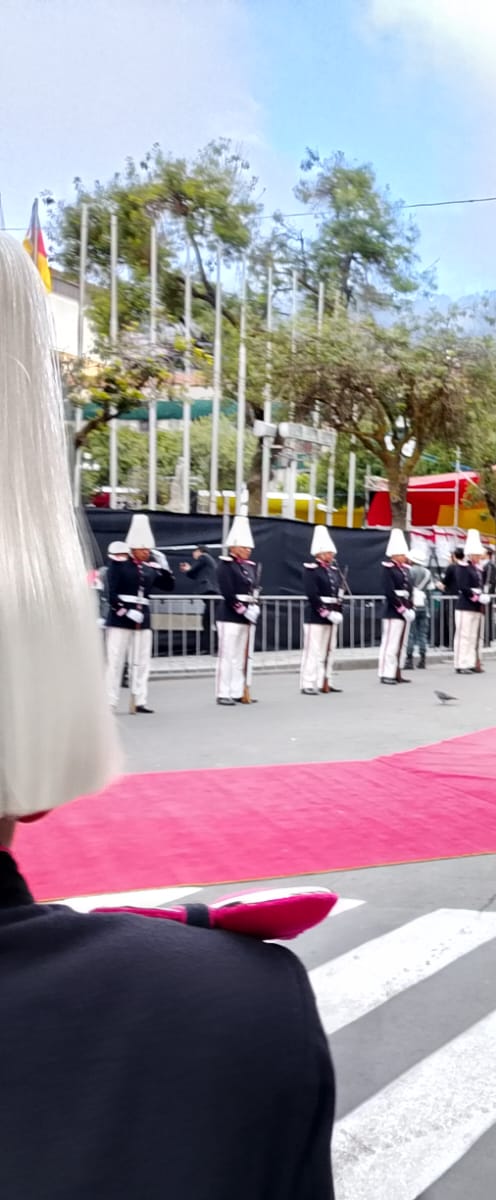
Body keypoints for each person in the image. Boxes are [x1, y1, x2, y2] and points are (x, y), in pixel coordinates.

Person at [0, 232, 337, 1196]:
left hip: (198, 621)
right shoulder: (218, 1013)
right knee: (174, 651)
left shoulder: (179, 563)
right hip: (189, 623)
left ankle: (161, 686)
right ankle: (188, 684)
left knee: (165, 656)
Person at [103, 514, 174, 714]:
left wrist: (165, 568)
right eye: (142, 549)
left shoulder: (149, 567)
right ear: (132, 548)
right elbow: (112, 593)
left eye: (147, 550)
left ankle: (140, 698)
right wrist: (126, 612)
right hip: (120, 618)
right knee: (115, 661)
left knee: (142, 661)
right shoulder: (119, 563)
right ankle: (110, 700)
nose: (146, 553)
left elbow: (168, 586)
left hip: (143, 619)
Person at [215, 515, 260, 707]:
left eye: (249, 548)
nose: (248, 550)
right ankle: (222, 692)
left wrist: (255, 605)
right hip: (229, 615)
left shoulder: (249, 567)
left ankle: (237, 690)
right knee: (227, 655)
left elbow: (253, 589)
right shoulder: (225, 565)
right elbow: (227, 591)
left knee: (240, 656)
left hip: (246, 614)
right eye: (244, 547)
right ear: (233, 547)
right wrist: (242, 609)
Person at [299, 525, 344, 696]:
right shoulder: (312, 570)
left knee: (329, 650)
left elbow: (337, 593)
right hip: (316, 615)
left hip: (332, 613)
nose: (332, 556)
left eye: (332, 553)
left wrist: (339, 611)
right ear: (319, 553)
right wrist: (325, 612)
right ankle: (308, 682)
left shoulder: (333, 571)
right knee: (313, 651)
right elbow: (312, 593)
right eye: (329, 553)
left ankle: (325, 680)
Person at [377, 530, 413, 685]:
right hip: (394, 610)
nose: (405, 556)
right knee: (390, 644)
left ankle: (397, 670)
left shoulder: (404, 569)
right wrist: (401, 608)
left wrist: (410, 607)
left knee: (401, 643)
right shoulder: (388, 568)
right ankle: (386, 673)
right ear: (395, 554)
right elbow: (389, 591)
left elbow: (408, 589)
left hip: (404, 607)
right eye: (402, 554)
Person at [452, 530, 488, 674]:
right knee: (464, 635)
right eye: (476, 555)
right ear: (470, 554)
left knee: (473, 636)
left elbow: (480, 585)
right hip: (465, 605)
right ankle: (461, 663)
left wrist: (482, 595)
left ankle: (471, 661)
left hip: (475, 606)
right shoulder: (463, 567)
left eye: (479, 555)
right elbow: (463, 586)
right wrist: (476, 597)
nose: (479, 557)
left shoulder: (478, 569)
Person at [179, 543, 217, 654]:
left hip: (211, 593)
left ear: (200, 551)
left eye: (195, 552)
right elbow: (194, 574)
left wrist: (189, 569)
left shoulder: (204, 557)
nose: (193, 554)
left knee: (210, 621)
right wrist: (188, 570)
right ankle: (209, 647)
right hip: (212, 593)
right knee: (207, 621)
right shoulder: (207, 564)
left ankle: (212, 647)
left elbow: (193, 571)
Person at [404, 538, 435, 672]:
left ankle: (409, 660)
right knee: (422, 633)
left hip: (412, 604)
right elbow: (431, 589)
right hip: (424, 605)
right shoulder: (428, 573)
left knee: (410, 633)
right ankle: (423, 659)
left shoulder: (409, 571)